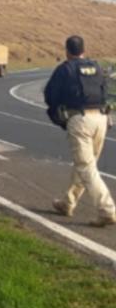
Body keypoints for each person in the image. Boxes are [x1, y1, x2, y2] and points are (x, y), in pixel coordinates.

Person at [45, 35, 115, 227]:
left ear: (67, 50)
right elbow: (105, 92)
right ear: (84, 49)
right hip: (101, 118)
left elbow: (50, 95)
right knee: (85, 165)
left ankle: (107, 209)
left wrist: (58, 117)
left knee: (86, 167)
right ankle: (68, 202)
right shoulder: (97, 67)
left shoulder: (65, 69)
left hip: (80, 120)